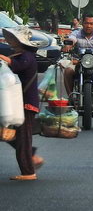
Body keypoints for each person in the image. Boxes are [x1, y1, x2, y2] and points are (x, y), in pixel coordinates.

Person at [0, 27, 45, 180]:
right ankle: (31, 158)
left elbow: (17, 66)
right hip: (17, 103)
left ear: (19, 40)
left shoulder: (27, 56)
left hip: (26, 104)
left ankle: (28, 172)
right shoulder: (20, 55)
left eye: (12, 38)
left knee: (23, 139)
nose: (9, 40)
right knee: (16, 137)